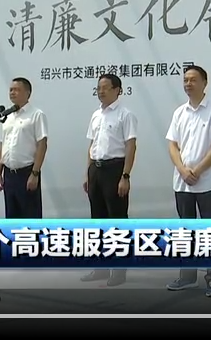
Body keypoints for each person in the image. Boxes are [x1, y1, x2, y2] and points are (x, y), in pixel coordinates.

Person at [164, 65, 211, 298]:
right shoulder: (179, 112)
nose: (188, 84)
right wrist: (183, 170)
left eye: (193, 80)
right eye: (185, 80)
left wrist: (198, 170)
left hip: (208, 183)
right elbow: (172, 145)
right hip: (182, 182)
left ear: (205, 83)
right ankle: (187, 276)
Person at [80, 74, 138, 287]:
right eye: (98, 88)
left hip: (115, 170)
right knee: (97, 221)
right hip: (96, 170)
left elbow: (131, 146)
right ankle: (100, 268)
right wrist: (87, 173)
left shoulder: (125, 115)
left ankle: (119, 271)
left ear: (117, 90)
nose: (101, 91)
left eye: (105, 87)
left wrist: (125, 176)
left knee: (117, 221)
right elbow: (92, 145)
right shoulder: (96, 115)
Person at [0, 77, 48, 219]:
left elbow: (42, 145)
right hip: (9, 174)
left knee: (30, 217)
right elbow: (2, 145)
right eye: (11, 90)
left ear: (27, 93)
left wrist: (35, 174)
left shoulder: (36, 114)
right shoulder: (6, 117)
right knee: (12, 217)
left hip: (27, 173)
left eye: (17, 90)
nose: (12, 93)